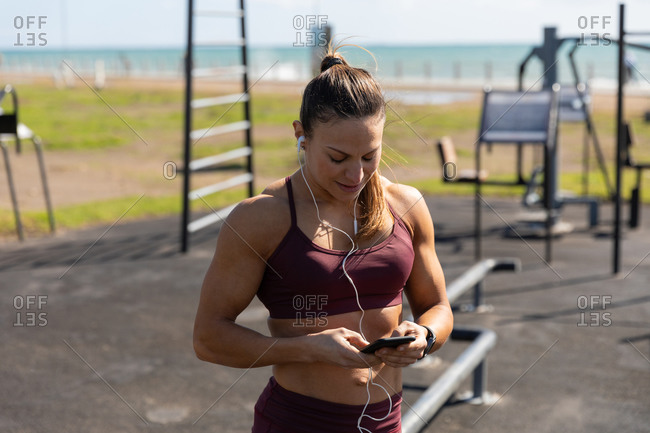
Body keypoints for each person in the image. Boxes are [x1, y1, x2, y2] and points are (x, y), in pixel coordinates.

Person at [193, 46, 453, 433]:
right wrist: (306, 348)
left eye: (369, 156)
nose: (355, 174)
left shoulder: (407, 205)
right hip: (297, 422)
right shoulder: (260, 218)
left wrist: (425, 334)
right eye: (337, 157)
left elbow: (437, 306)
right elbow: (209, 338)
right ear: (301, 135)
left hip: (386, 423)